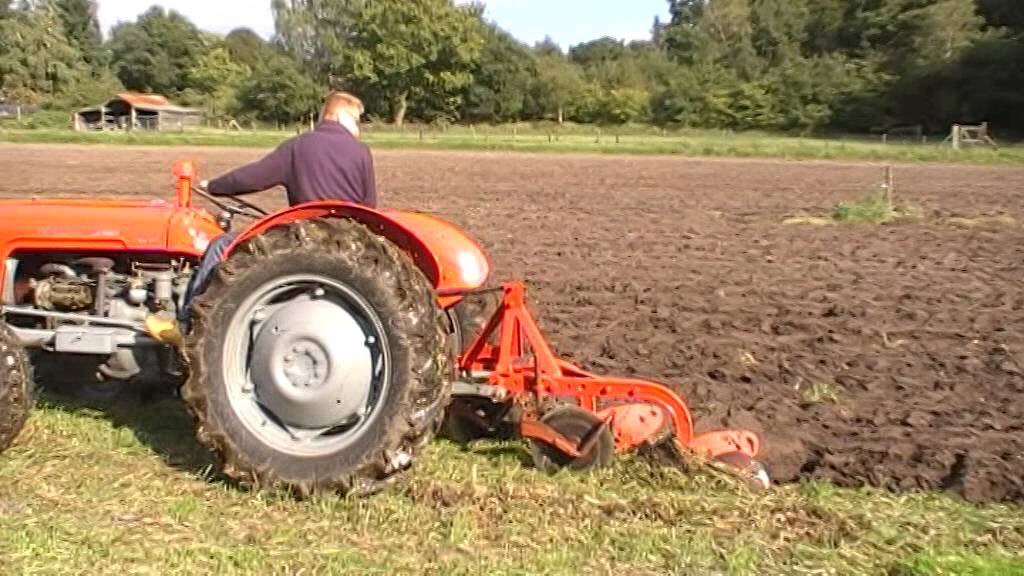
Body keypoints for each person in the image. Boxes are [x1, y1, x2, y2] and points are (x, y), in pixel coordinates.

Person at [146, 91, 377, 345]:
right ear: (341, 116)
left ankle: (187, 325)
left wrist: (213, 185)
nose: (358, 128)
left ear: (327, 115)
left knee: (221, 245)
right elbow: (369, 206)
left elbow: (252, 177)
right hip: (345, 242)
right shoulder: (362, 152)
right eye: (356, 121)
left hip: (307, 238)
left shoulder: (299, 146)